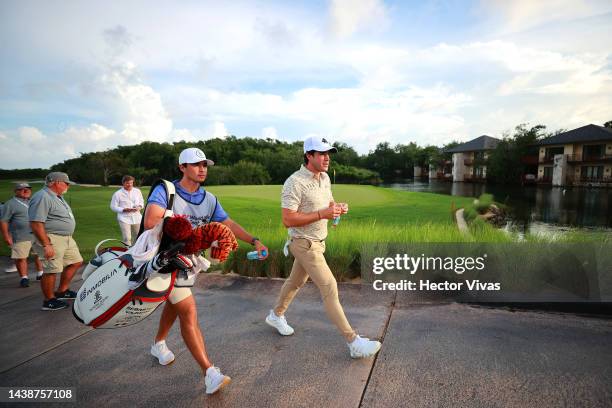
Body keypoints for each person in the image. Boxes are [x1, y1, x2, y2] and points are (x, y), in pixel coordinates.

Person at [143, 147, 268, 395]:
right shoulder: (166, 191)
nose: (202, 169)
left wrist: (254, 240)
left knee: (174, 303)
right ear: (182, 167)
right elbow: (150, 221)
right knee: (188, 311)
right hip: (162, 261)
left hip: (187, 265)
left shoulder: (209, 199)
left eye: (205, 165)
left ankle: (158, 344)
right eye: (196, 164)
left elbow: (228, 224)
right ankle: (209, 372)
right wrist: (192, 235)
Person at [265, 136, 382, 358]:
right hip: (303, 243)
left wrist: (336, 208)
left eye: (328, 153)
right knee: (329, 287)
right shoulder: (294, 182)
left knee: (295, 282)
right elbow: (288, 220)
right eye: (321, 153)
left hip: (319, 243)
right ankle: (353, 342)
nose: (327, 157)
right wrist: (322, 214)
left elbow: (328, 203)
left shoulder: (325, 178)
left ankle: (276, 315)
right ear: (309, 156)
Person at [29, 172, 83, 311]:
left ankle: (62, 291)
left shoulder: (58, 197)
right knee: (51, 270)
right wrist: (46, 244)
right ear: (56, 182)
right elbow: (36, 223)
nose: (68, 185)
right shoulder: (42, 196)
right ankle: (49, 300)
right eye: (66, 183)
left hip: (66, 238)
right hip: (51, 238)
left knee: (76, 262)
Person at [1, 183, 44, 287]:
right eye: (22, 189)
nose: (26, 191)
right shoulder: (10, 204)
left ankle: (40, 273)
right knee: (21, 257)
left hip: (37, 234)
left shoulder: (33, 201)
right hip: (20, 235)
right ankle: (24, 277)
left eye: (28, 189)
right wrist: (6, 236)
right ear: (16, 191)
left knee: (39, 255)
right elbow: (3, 221)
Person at [110, 175, 144, 246]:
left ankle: (136, 251)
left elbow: (142, 202)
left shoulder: (137, 191)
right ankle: (127, 252)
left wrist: (139, 207)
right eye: (128, 183)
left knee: (139, 236)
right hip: (124, 218)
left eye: (131, 183)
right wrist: (123, 209)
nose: (130, 185)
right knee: (127, 238)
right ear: (123, 183)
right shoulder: (118, 194)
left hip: (137, 217)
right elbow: (113, 206)